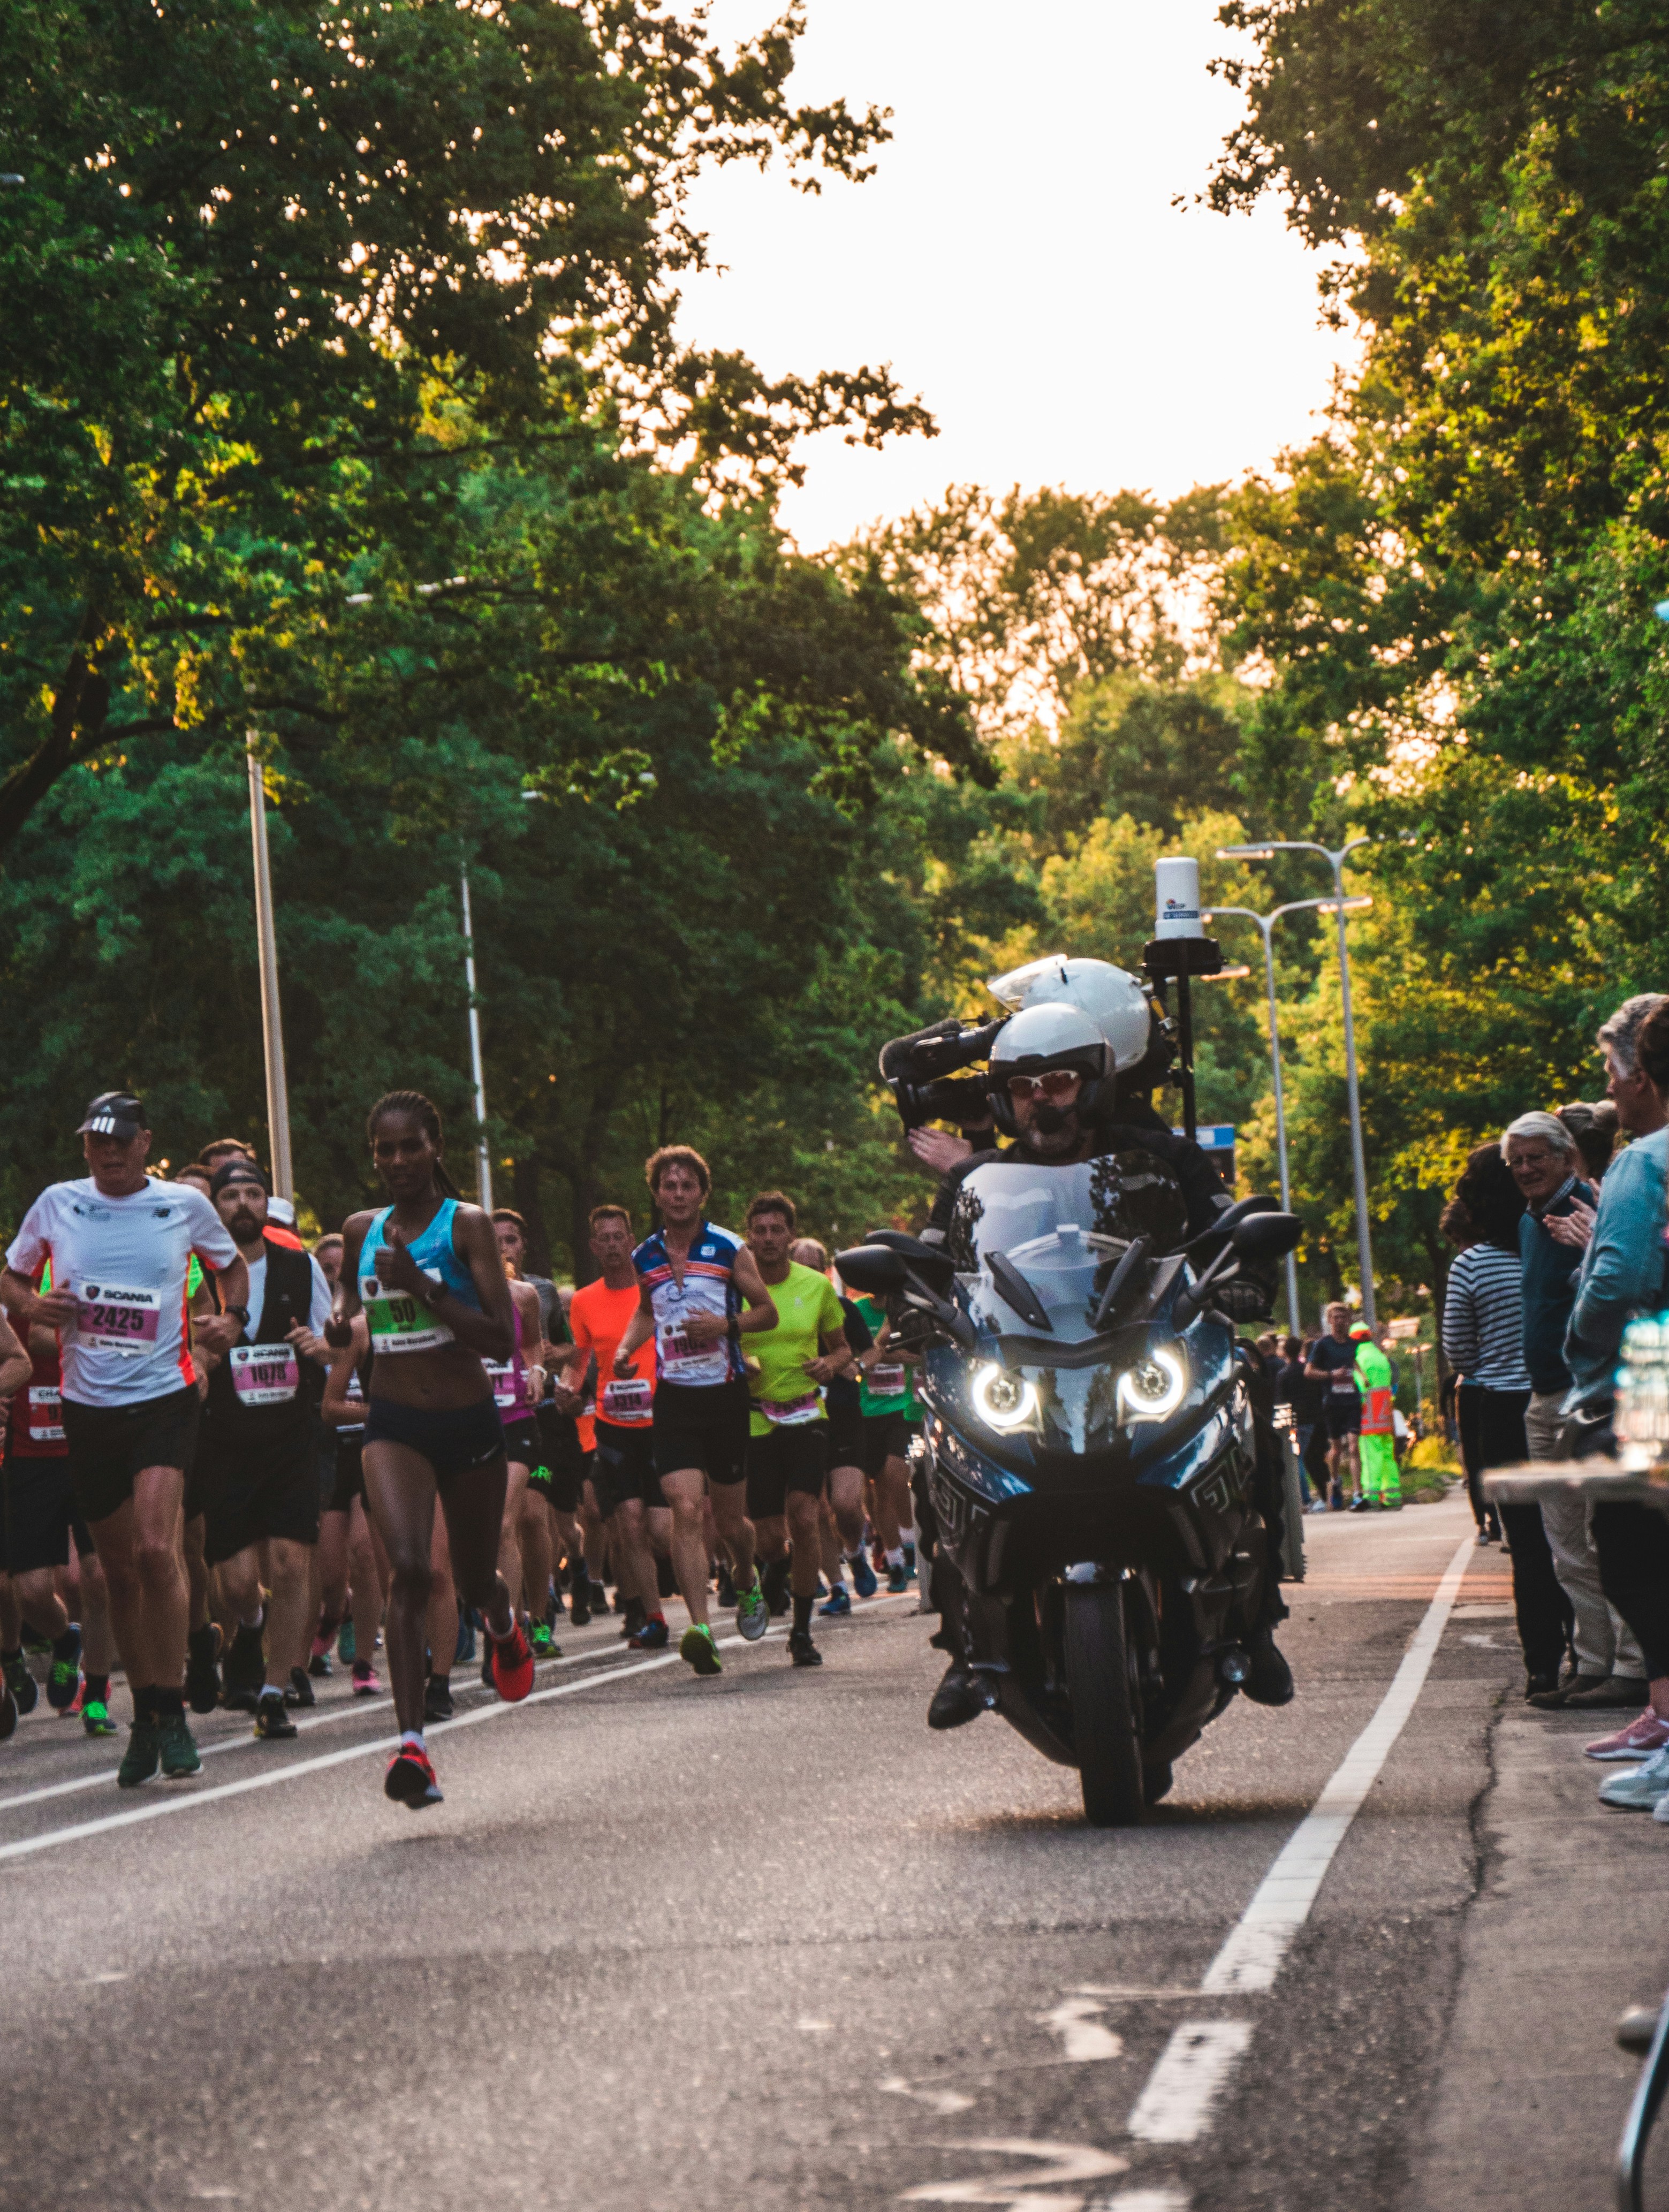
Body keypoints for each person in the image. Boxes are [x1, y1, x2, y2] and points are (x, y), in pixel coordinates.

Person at [922, 1001, 1292, 1726]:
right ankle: (963, 1648)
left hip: (1141, 1350)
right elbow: (936, 1263)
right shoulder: (976, 1182)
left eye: (1057, 1081)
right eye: (1024, 1087)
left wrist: (1245, 1276)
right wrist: (915, 1302)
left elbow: (1226, 1231)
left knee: (1252, 1391)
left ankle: (1259, 1620)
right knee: (934, 1436)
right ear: (1002, 1097)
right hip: (1028, 1367)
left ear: (1092, 1083)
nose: (1041, 1100)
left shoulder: (1164, 1156)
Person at [0, 1092, 248, 1785]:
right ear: (85, 1146)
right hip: (89, 1406)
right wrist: (31, 1305)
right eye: (95, 1141)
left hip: (164, 1398)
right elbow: (13, 1279)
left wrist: (233, 1320)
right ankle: (145, 1712)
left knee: (154, 1546)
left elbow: (230, 1270)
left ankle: (172, 1711)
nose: (107, 1152)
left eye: (120, 1140)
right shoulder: (57, 1203)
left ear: (145, 1142)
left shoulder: (184, 1206)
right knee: (116, 1574)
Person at [326, 1090, 533, 1810]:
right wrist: (337, 1323)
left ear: (434, 1147)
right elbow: (355, 1309)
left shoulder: (465, 1225)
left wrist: (422, 1285)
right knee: (409, 1569)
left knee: (474, 1583)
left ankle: (504, 1628)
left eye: (410, 1146)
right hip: (394, 1422)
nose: (397, 1161)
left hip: (469, 1421)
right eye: (384, 1150)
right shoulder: (362, 1228)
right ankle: (412, 1746)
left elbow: (499, 1340)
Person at [612, 1146, 780, 1677]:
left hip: (725, 1394)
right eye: (669, 1186)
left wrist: (726, 1327)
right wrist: (623, 1349)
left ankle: (747, 1579)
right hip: (675, 1398)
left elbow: (766, 1312)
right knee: (685, 1508)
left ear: (701, 1193)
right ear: (657, 1193)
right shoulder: (645, 1256)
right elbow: (645, 1311)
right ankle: (701, 1629)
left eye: (687, 1186)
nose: (678, 1194)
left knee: (732, 1521)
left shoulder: (729, 1247)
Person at [1501, 1109, 1641, 1709]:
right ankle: (1591, 1662)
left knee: (1606, 1533)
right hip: (1544, 1395)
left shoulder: (1594, 1207)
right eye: (1517, 1161)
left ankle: (1634, 1667)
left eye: (1537, 1157)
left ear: (1566, 1157)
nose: (1527, 1169)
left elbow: (1624, 1287)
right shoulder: (1530, 1223)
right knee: (1565, 1543)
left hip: (1591, 1392)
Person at [193, 1158, 335, 1737]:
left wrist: (318, 1344)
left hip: (290, 1437)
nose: (243, 1204)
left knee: (290, 1561)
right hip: (223, 1441)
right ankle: (249, 1625)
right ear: (216, 1208)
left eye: (254, 1193)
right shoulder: (194, 1272)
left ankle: (275, 1690)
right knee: (234, 1581)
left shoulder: (300, 1267)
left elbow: (335, 1344)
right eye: (231, 1195)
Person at [1442, 1142, 1568, 1698]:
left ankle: (1541, 1662)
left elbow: (1458, 1353)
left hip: (1500, 1408)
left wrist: (1493, 1360)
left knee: (1527, 1544)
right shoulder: (1552, 1248)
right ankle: (1592, 1649)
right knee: (1574, 1536)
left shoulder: (1469, 1264)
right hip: (1560, 1398)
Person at [739, 1196, 850, 1668]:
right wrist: (740, 1364)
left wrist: (830, 1363)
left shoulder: (816, 1286)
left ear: (790, 1235)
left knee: (806, 1516)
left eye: (776, 1230)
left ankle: (802, 1631)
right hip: (755, 1419)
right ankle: (776, 1564)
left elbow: (843, 1348)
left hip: (806, 1415)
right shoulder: (735, 1287)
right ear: (749, 1236)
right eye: (759, 1230)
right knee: (767, 1536)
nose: (767, 1239)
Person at [565, 1206, 669, 1650]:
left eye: (617, 1237)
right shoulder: (584, 1300)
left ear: (631, 1241)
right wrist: (569, 1390)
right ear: (593, 1246)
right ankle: (653, 1617)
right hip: (613, 1424)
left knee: (664, 1532)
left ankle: (740, 1576)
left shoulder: (657, 1290)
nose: (610, 1244)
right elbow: (579, 1360)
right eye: (602, 1238)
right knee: (627, 1522)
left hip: (663, 1420)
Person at [788, 1236, 882, 1616]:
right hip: (802, 1419)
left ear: (825, 1271)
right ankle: (837, 1587)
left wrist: (858, 1367)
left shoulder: (841, 1307)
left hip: (843, 1417)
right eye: (802, 1266)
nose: (808, 1273)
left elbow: (872, 1347)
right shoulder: (780, 1309)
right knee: (812, 1508)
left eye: (815, 1266)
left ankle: (855, 1552)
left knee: (844, 1504)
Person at [1304, 1304, 1361, 1508]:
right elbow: (1308, 1372)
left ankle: (1358, 1494)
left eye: (1343, 1318)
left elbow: (1359, 1367)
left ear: (1349, 1320)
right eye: (1335, 1317)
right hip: (1333, 1403)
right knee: (1337, 1449)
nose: (1340, 1321)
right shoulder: (1323, 1345)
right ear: (1329, 1321)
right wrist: (1331, 1375)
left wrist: (1363, 1378)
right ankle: (1335, 1481)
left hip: (1353, 1401)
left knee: (1354, 1447)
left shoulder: (1354, 1345)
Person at [1274, 1335, 1329, 1511]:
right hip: (1312, 1420)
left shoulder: (1284, 1374)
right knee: (1308, 1457)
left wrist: (1280, 1424)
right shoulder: (1306, 1371)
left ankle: (1304, 1499)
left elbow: (1282, 1401)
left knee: (1296, 1459)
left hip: (1294, 1422)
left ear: (1285, 1352)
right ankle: (1320, 1496)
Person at [1351, 1323, 1401, 1510]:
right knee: (1388, 1456)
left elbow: (1360, 1389)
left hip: (1368, 1417)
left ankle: (1372, 1498)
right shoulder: (1381, 1358)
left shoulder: (1359, 1359)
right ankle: (1393, 1497)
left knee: (1372, 1457)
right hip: (1385, 1415)